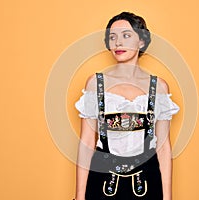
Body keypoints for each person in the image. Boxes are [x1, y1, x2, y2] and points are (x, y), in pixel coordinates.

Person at [74, 11, 179, 200]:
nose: (118, 43)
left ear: (141, 41)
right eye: (112, 37)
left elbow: (163, 148)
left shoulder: (159, 87)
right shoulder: (95, 84)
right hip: (102, 184)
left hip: (148, 183)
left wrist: (167, 198)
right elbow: (86, 144)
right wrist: (80, 197)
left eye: (126, 35)